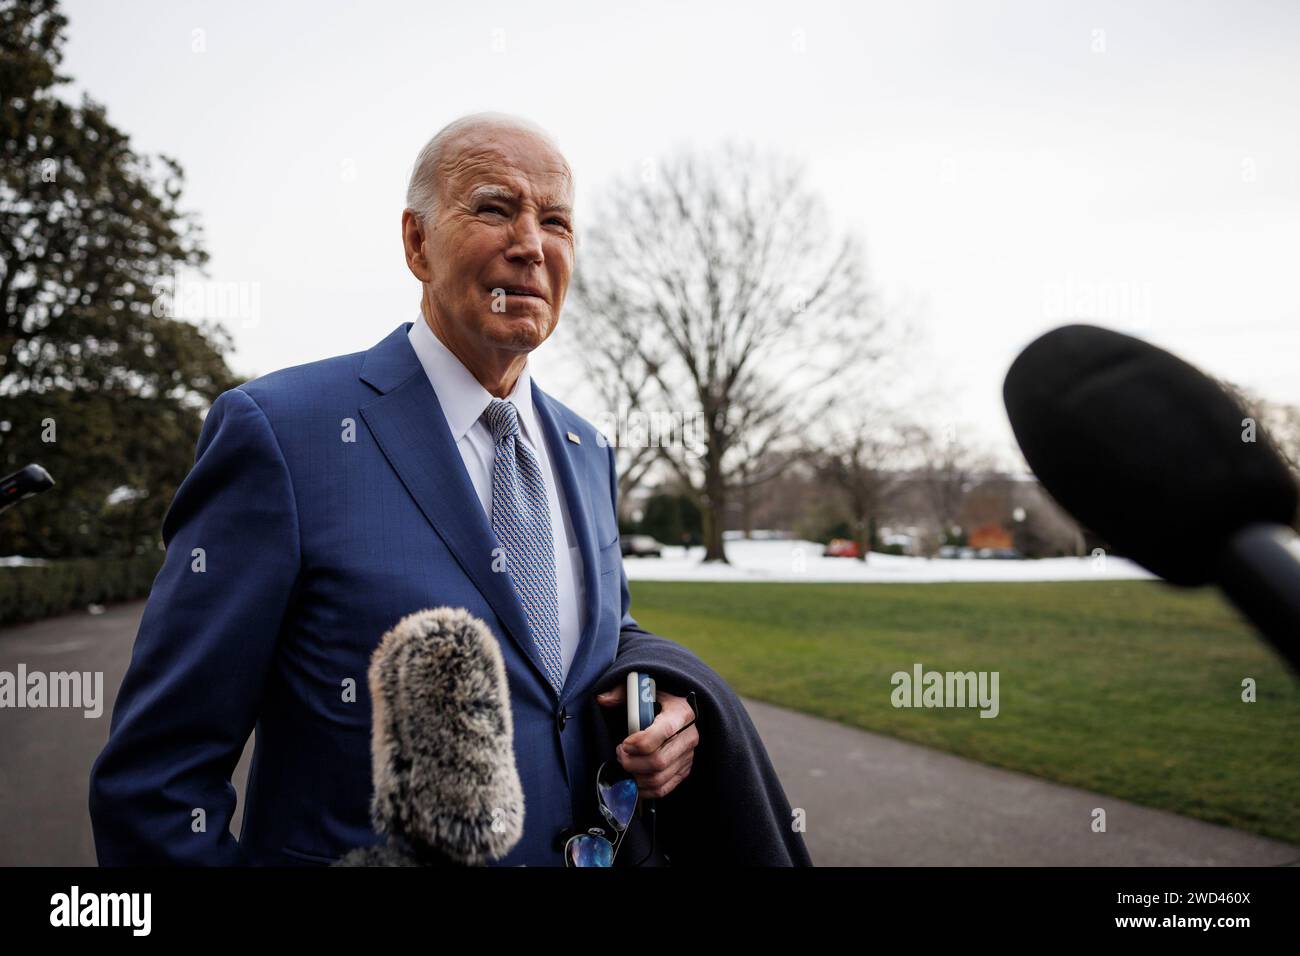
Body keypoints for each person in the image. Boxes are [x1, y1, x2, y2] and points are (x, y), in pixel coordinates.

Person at [88, 113, 709, 866]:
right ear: (417, 242)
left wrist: (665, 697)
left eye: (555, 221)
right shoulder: (281, 434)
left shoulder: (586, 448)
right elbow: (156, 782)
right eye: (493, 207)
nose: (530, 243)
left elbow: (585, 647)